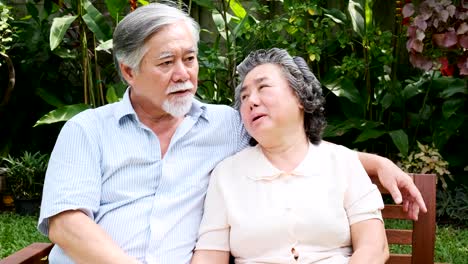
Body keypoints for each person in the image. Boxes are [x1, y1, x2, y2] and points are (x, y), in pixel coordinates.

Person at [38, 2, 424, 264]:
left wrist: (376, 163)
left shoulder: (227, 124)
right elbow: (67, 223)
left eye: (189, 59)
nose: (183, 74)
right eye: (167, 62)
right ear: (128, 72)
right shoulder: (87, 130)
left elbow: (291, 141)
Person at [191, 48, 389, 264]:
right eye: (244, 96)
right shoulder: (226, 174)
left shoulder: (343, 162)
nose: (251, 101)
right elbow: (210, 255)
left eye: (263, 87)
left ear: (300, 97)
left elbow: (373, 247)